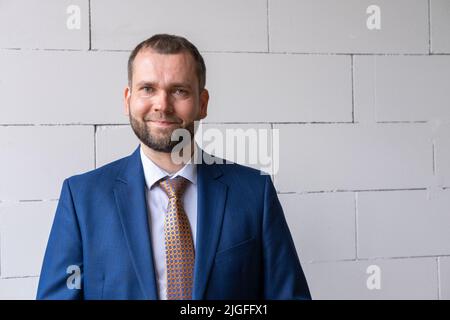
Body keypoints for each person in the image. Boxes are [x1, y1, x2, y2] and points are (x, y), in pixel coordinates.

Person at [36, 34, 311, 300]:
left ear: (202, 104)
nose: (162, 105)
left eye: (179, 90)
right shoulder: (82, 198)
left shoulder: (254, 193)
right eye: (148, 89)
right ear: (127, 99)